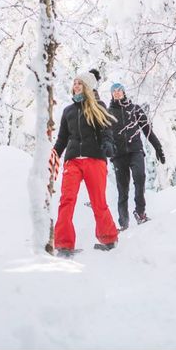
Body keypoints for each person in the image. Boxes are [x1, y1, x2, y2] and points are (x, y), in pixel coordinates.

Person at [52, 71, 119, 257]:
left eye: (80, 83)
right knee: (66, 200)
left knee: (98, 201)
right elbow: (62, 139)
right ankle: (64, 244)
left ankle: (108, 238)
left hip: (94, 159)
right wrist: (54, 155)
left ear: (88, 87)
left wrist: (107, 143)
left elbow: (106, 130)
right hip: (73, 161)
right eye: (74, 83)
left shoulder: (98, 106)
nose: (76, 86)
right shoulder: (68, 111)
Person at [107, 82, 165, 230]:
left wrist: (158, 148)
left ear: (124, 92)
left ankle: (140, 213)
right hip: (118, 156)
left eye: (119, 90)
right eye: (114, 91)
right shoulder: (108, 113)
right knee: (123, 189)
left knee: (140, 178)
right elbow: (103, 136)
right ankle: (124, 222)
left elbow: (148, 130)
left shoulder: (135, 110)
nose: (117, 93)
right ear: (112, 94)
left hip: (135, 151)